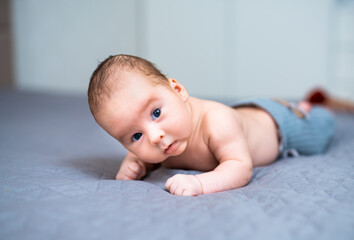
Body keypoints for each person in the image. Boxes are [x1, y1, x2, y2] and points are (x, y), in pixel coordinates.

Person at [87, 54, 335, 196]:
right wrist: (133, 163)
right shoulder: (162, 140)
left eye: (156, 112)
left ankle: (311, 107)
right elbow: (140, 156)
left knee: (321, 128)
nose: (154, 136)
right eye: (135, 135)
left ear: (178, 90)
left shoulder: (217, 122)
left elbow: (240, 167)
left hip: (280, 125)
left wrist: (200, 183)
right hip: (243, 115)